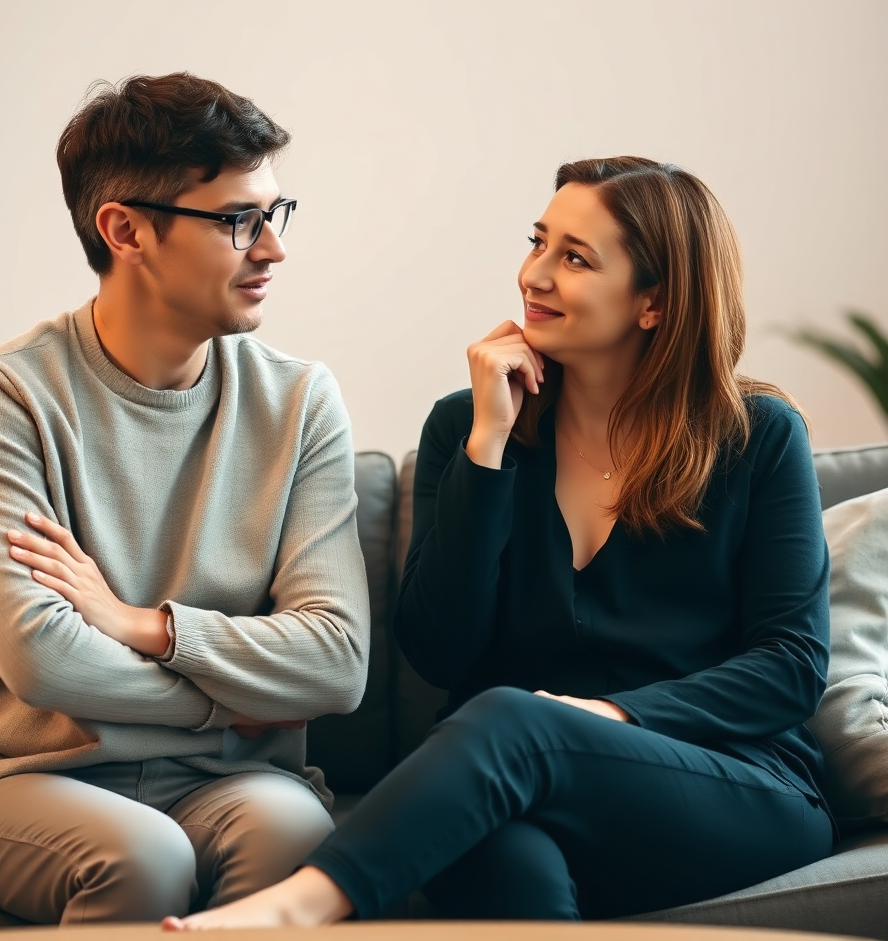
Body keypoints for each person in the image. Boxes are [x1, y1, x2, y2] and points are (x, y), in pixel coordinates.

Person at [163, 156, 834, 929]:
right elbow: (440, 653)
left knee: (513, 720)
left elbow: (790, 666)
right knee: (493, 849)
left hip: (733, 783)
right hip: (516, 786)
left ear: (653, 303)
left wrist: (606, 715)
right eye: (538, 242)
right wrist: (489, 449)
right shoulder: (467, 423)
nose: (533, 275)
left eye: (575, 258)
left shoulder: (756, 436)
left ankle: (293, 911)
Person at [0, 73, 370, 923]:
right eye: (238, 220)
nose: (273, 249)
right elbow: (45, 662)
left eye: (276, 213)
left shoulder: (300, 400)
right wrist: (236, 701)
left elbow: (337, 662)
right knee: (142, 855)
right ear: (126, 230)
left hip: (228, 780)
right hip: (21, 775)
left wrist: (142, 625)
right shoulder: (2, 393)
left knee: (297, 833)